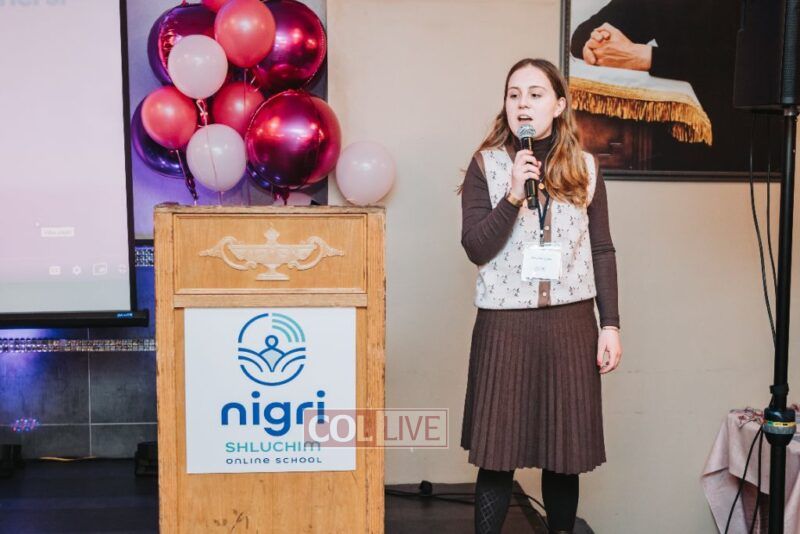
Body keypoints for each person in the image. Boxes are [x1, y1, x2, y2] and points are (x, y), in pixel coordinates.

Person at [459, 58, 622, 534]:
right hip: (505, 326)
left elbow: (602, 249)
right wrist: (513, 194)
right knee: (497, 454)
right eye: (514, 95)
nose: (523, 104)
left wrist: (610, 324)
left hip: (570, 326)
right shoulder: (486, 165)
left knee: (563, 455)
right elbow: (476, 247)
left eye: (535, 94)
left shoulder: (586, 168)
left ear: (559, 105)